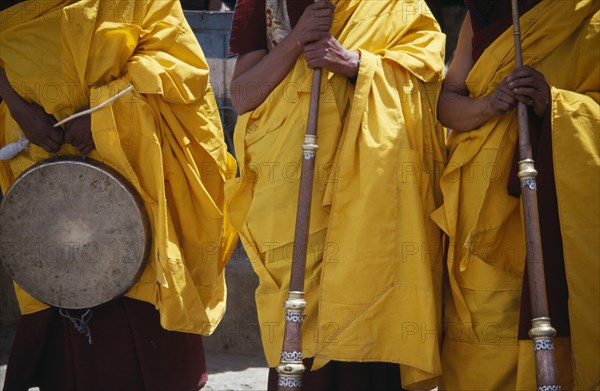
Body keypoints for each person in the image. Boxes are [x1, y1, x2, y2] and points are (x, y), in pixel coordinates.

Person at [0, 1, 237, 389]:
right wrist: (13, 101)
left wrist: (105, 117)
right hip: (41, 148)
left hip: (135, 160)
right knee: (59, 267)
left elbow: (176, 59)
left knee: (139, 267)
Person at [226, 0, 446, 389]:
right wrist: (298, 38)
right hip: (292, 184)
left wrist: (354, 63)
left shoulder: (397, 5)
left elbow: (427, 76)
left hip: (373, 190)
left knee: (366, 295)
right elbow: (244, 95)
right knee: (299, 312)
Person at [432, 0, 599, 389]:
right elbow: (446, 101)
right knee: (478, 326)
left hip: (552, 210)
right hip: (476, 212)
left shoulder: (586, 17)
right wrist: (490, 104)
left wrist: (553, 103)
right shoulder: (486, 15)